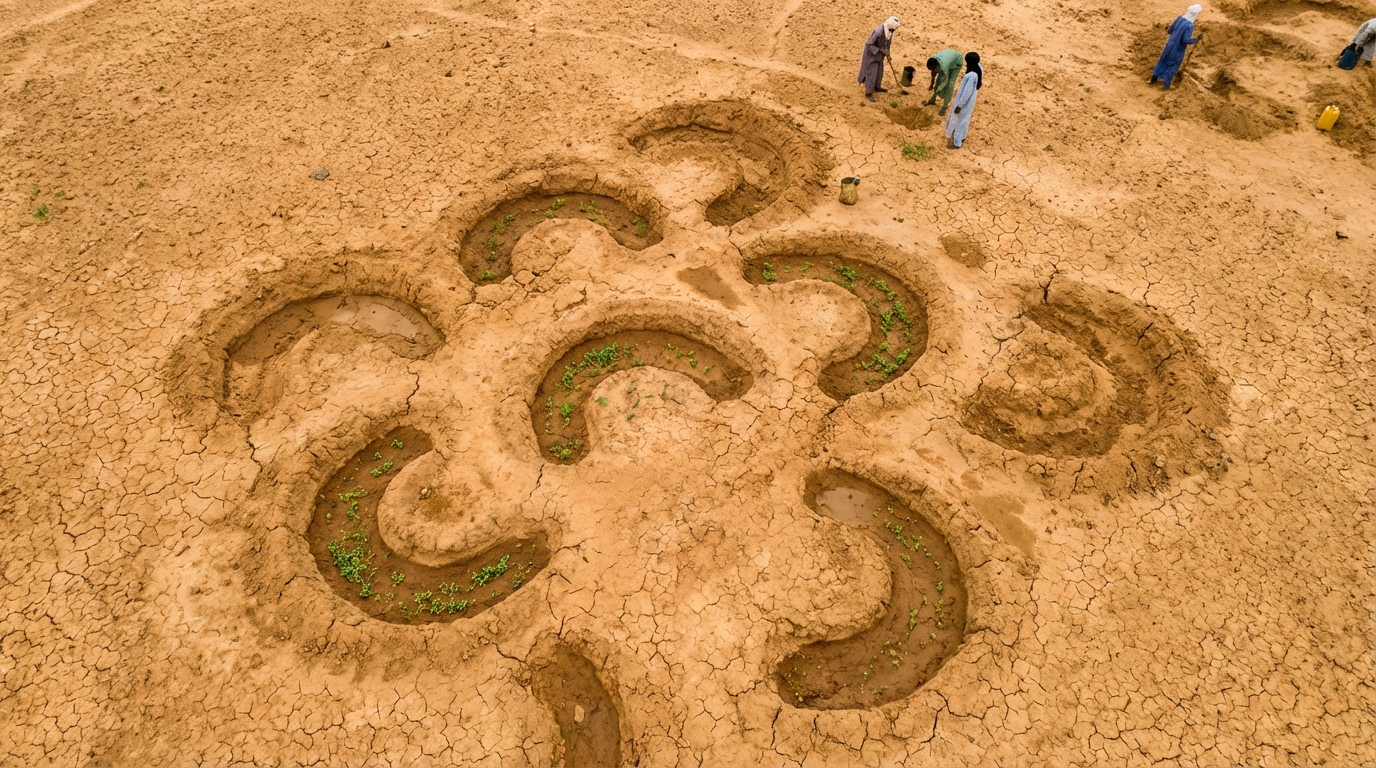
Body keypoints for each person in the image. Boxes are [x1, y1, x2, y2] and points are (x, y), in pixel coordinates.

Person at [1151, 5, 1203, 88]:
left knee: (1163, 60)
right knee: (1173, 64)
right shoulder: (1189, 25)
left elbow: (1170, 30)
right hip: (1178, 48)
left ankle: (1153, 79)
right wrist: (1195, 39)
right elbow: (1185, 40)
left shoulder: (1180, 18)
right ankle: (1166, 84)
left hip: (1169, 44)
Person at [944, 52, 983, 149]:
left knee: (958, 121)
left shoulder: (970, 76)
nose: (966, 64)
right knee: (964, 120)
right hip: (970, 102)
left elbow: (966, 92)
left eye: (967, 62)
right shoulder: (979, 69)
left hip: (964, 103)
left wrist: (959, 105)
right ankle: (962, 136)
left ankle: (957, 142)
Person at [858, 16, 900, 102]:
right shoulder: (878, 31)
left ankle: (877, 87)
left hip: (880, 55)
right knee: (872, 73)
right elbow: (869, 44)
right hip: (872, 55)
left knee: (879, 72)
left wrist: (888, 53)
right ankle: (868, 93)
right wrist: (880, 51)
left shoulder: (890, 31)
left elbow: (888, 44)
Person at [923, 48, 964, 116]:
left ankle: (945, 105)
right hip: (949, 58)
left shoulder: (944, 66)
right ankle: (932, 99)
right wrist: (932, 84)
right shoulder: (933, 60)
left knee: (950, 85)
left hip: (956, 63)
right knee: (938, 81)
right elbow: (933, 73)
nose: (935, 70)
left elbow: (945, 80)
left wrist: (939, 89)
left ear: (938, 66)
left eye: (936, 69)